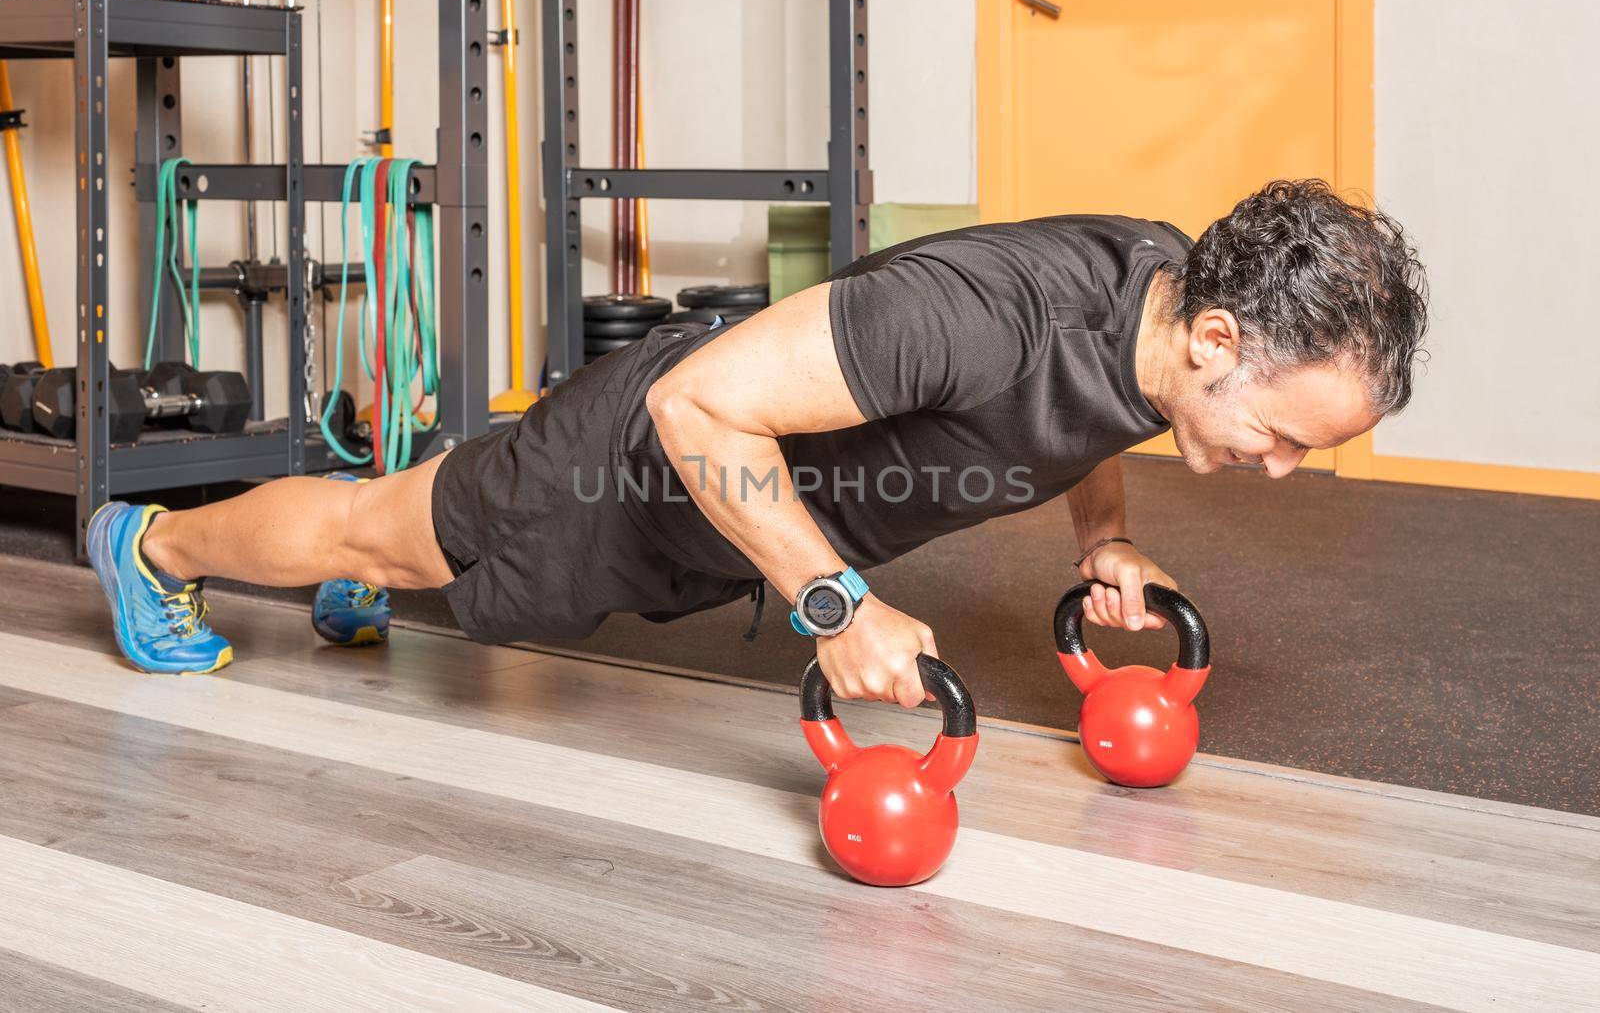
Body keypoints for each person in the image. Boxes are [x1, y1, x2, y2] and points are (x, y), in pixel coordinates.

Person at [86, 179, 1428, 706]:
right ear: (1215, 344)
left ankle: (376, 572)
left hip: (720, 521)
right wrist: (835, 602)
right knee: (369, 525)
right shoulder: (977, 320)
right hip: (618, 469)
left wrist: (1110, 537)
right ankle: (148, 545)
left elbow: (1088, 425)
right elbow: (695, 409)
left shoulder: (1158, 300)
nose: (1282, 468)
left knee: (419, 559)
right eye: (1283, 435)